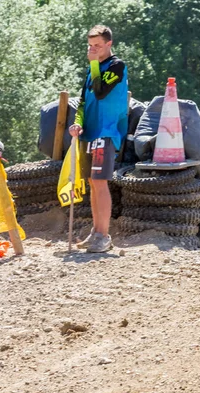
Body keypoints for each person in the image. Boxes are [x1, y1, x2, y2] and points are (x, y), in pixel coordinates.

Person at [68, 25, 128, 253]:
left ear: (109, 44)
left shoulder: (117, 66)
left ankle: (103, 236)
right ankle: (97, 232)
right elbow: (83, 102)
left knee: (100, 181)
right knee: (93, 182)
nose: (93, 50)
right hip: (90, 133)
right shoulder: (90, 70)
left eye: (98, 46)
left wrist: (93, 63)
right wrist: (78, 123)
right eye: (90, 45)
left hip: (108, 132)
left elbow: (101, 91)